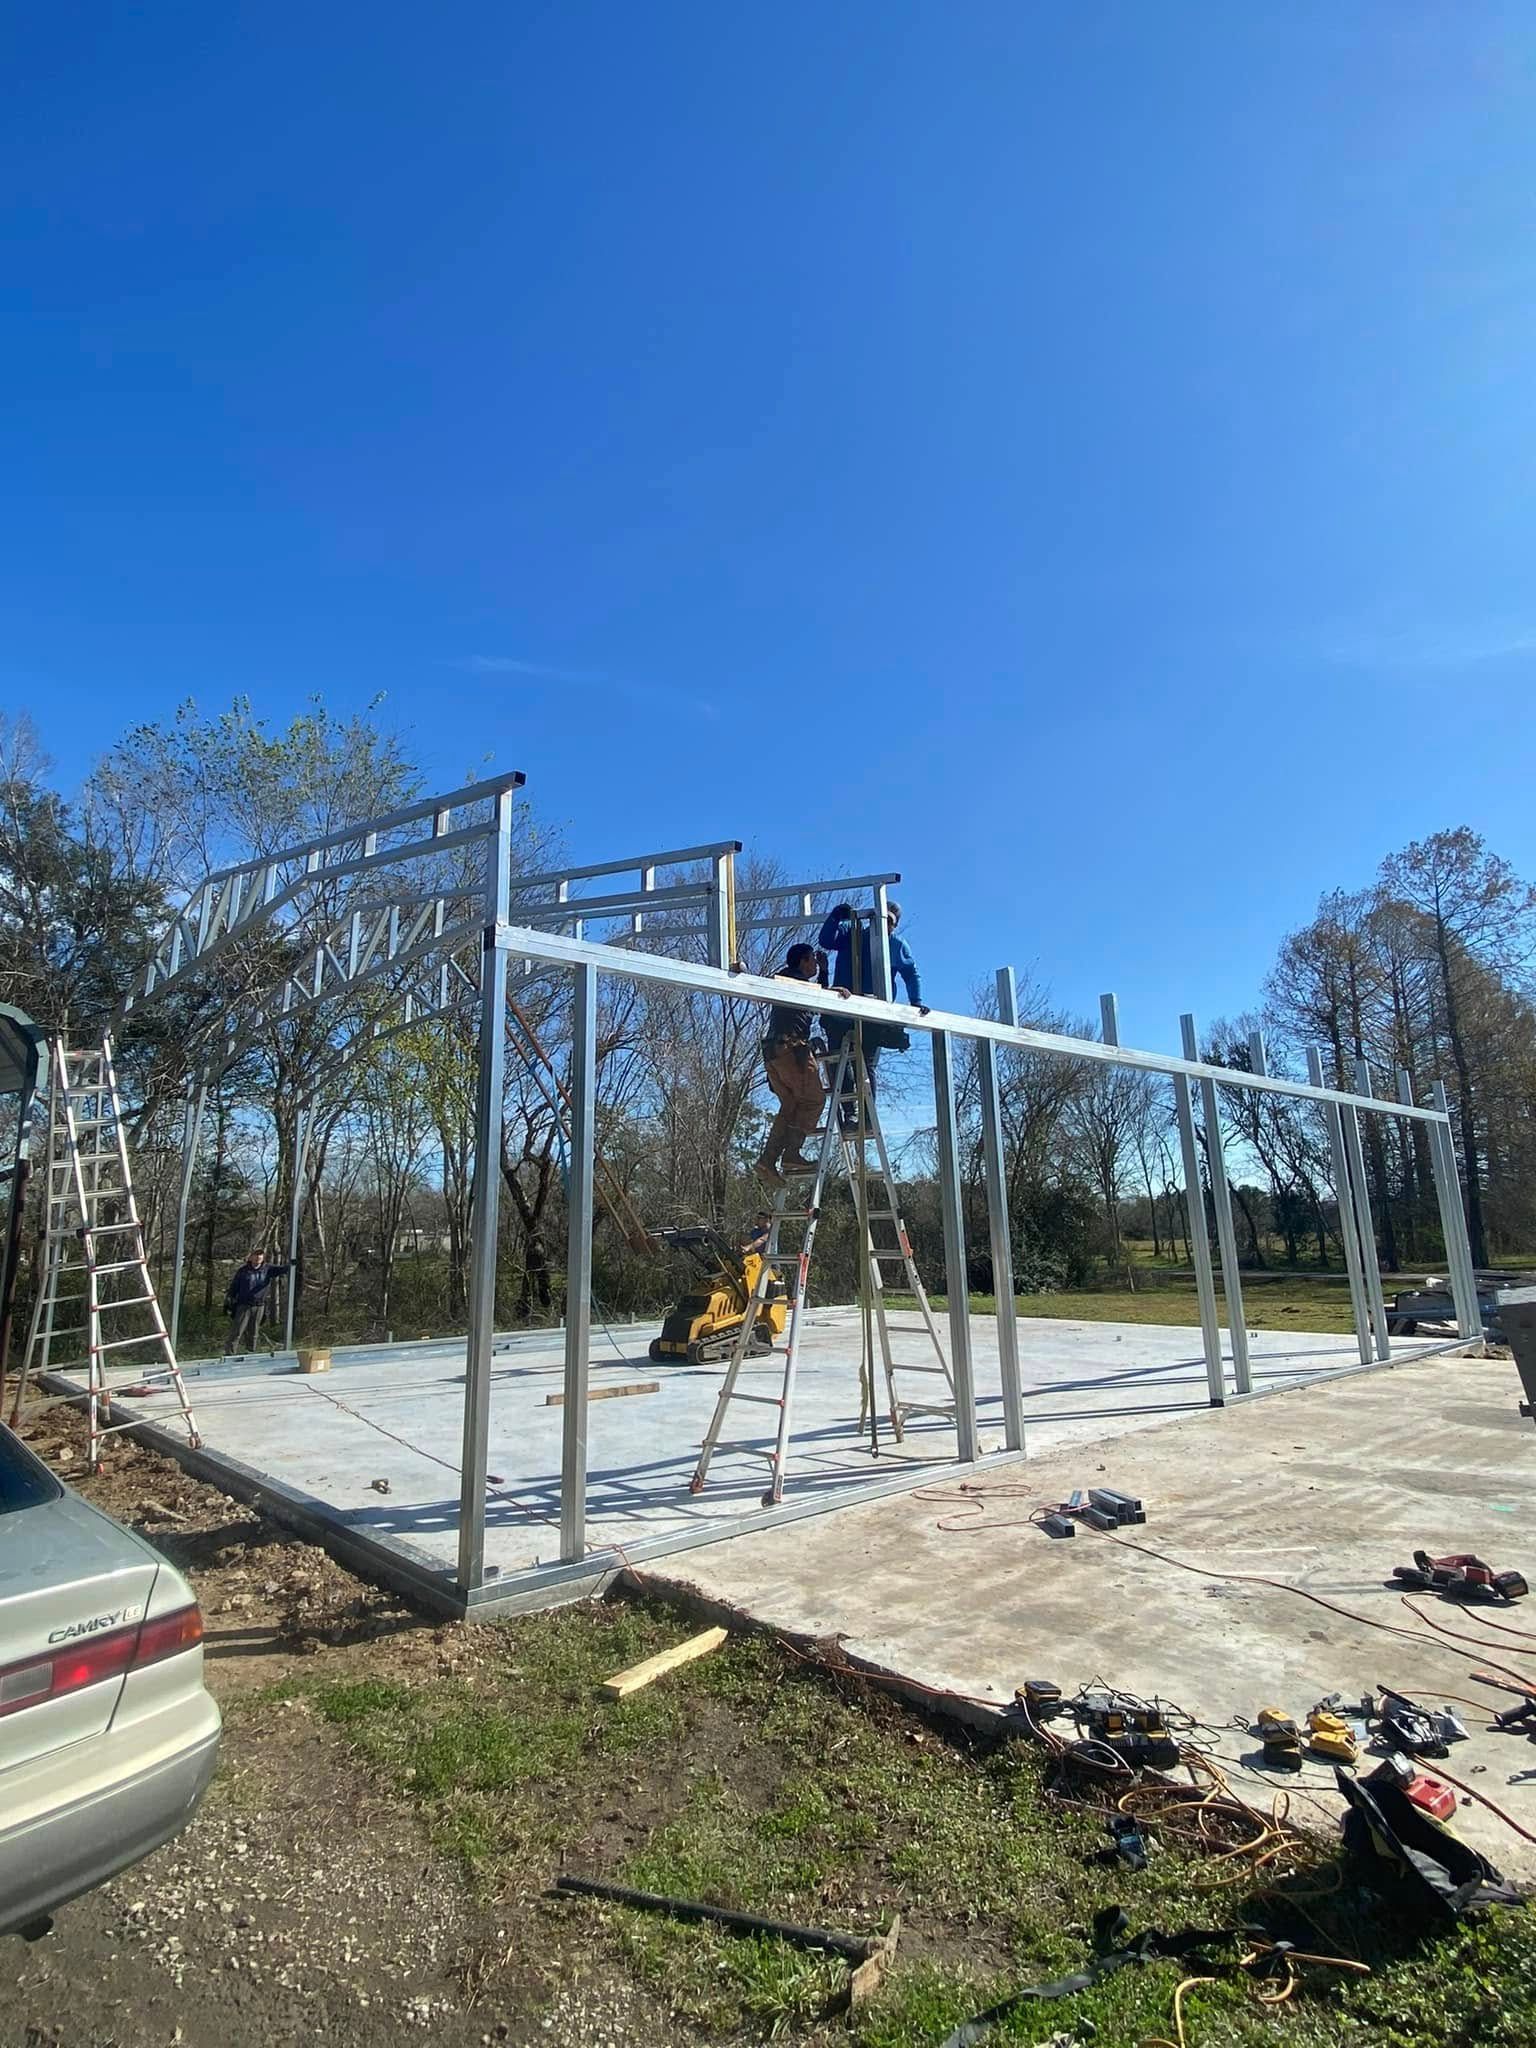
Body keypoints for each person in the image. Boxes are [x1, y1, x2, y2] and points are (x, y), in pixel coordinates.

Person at [817, 900, 927, 1108]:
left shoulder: (896, 945)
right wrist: (836, 917)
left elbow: (911, 974)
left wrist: (916, 1001)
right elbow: (826, 940)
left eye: (890, 922)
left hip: (873, 1013)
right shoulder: (852, 933)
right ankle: (849, 1112)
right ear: (873, 918)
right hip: (841, 1009)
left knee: (865, 1066)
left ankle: (868, 1115)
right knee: (839, 1062)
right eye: (881, 919)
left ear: (895, 925)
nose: (885, 925)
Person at [753, 941, 845, 1186]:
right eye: (812, 959)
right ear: (803, 962)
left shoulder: (791, 982)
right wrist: (834, 991)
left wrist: (824, 973)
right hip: (791, 1051)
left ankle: (767, 1160)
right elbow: (819, 997)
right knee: (814, 1100)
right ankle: (792, 1154)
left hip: (774, 1052)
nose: (815, 963)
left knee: (791, 1104)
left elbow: (815, 997)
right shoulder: (792, 981)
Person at [223, 1247, 291, 1356]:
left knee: (254, 1332)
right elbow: (234, 1287)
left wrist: (291, 1264)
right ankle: (230, 1354)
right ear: (251, 1257)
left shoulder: (267, 1269)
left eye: (260, 1254)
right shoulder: (243, 1271)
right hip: (244, 1305)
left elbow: (283, 1269)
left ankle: (250, 1353)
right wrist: (229, 1300)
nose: (258, 1257)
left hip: (259, 1305)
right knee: (237, 1330)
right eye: (256, 1254)